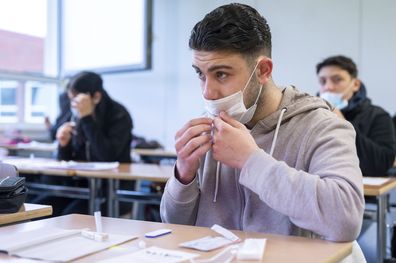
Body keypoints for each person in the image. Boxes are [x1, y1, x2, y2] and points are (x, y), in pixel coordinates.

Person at [160, 3, 364, 246]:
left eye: (221, 74)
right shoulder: (210, 128)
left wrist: (250, 161)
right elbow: (173, 224)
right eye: (200, 74)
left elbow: (346, 221)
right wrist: (184, 175)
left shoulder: (321, 125)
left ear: (263, 71)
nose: (208, 92)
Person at [317, 55, 396, 177]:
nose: (328, 87)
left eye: (337, 79)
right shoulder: (312, 115)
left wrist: (343, 125)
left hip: (363, 193)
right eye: (323, 81)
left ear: (355, 84)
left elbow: (382, 164)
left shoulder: (378, 116)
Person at [56, 71, 133, 162]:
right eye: (71, 100)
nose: (73, 105)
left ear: (96, 97)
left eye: (77, 100)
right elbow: (68, 162)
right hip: (81, 174)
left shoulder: (119, 115)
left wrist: (87, 119)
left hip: (114, 174)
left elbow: (108, 156)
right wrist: (63, 145)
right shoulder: (76, 116)